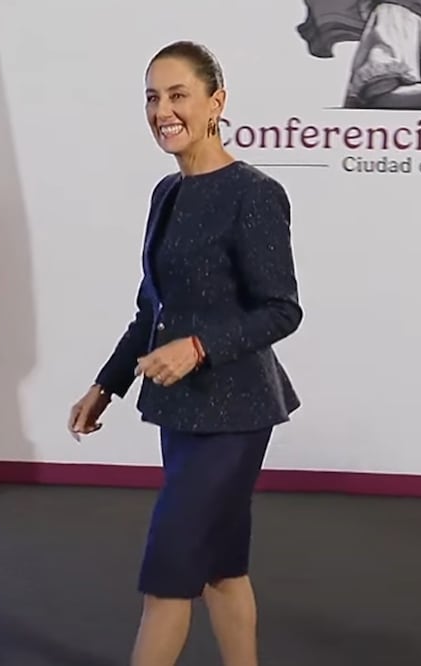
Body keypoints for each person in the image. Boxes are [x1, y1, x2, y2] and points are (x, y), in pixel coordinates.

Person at [67, 41, 303, 666]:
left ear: (216, 103)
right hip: (181, 412)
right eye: (152, 97)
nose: (162, 110)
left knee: (168, 574)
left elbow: (281, 309)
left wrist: (199, 347)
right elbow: (152, 311)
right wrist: (107, 384)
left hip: (237, 413)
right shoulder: (166, 195)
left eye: (178, 95)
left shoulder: (255, 193)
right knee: (221, 567)